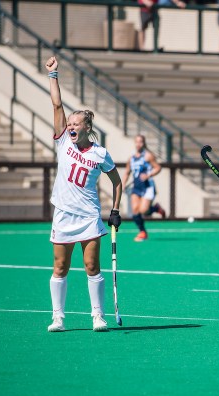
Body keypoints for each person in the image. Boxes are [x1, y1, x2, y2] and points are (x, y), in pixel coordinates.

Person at [44, 56, 123, 333]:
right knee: (60, 267)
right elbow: (56, 104)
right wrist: (53, 75)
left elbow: (117, 181)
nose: (72, 127)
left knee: (92, 266)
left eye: (77, 124)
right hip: (64, 213)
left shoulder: (100, 154)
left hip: (89, 215)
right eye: (70, 123)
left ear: (88, 127)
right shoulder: (64, 141)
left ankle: (97, 316)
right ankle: (58, 317)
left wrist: (115, 210)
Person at [122, 134, 166, 242]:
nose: (138, 144)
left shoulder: (148, 156)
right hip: (136, 187)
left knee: (144, 210)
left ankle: (156, 208)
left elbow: (158, 168)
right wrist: (123, 184)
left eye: (140, 142)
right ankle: (142, 232)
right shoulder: (131, 158)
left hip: (147, 187)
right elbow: (127, 173)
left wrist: (148, 175)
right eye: (137, 142)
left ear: (144, 143)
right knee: (135, 211)